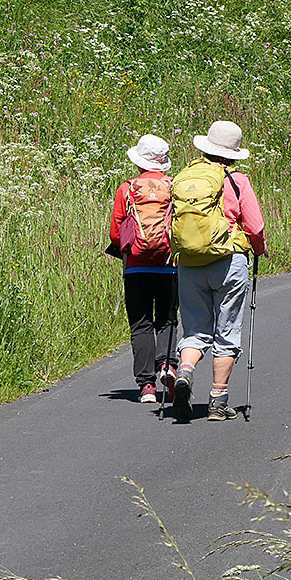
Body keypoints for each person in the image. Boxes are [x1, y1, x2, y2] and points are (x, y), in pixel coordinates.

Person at [171, 120, 267, 422]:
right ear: (233, 153)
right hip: (229, 260)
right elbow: (255, 226)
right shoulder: (237, 181)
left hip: (190, 262)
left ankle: (185, 372)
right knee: (227, 331)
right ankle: (217, 401)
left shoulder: (185, 178)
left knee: (194, 330)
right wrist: (259, 249)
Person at [109, 135, 179, 404]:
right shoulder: (172, 187)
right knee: (167, 320)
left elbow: (116, 233)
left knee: (141, 323)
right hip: (168, 265)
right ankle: (168, 366)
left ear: (139, 161)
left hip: (136, 267)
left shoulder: (127, 189)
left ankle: (147, 385)